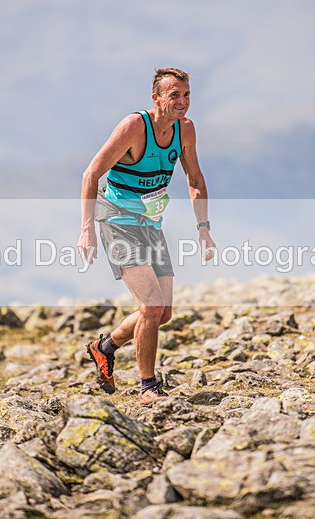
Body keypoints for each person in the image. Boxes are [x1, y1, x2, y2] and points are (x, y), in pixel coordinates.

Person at [78, 67, 215, 406]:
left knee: (161, 313)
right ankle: (147, 387)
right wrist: (87, 229)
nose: (182, 102)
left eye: (186, 96)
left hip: (151, 226)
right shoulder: (133, 128)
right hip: (117, 223)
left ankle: (104, 347)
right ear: (156, 99)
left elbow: (195, 179)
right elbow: (91, 173)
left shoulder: (185, 130)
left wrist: (204, 229)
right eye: (174, 96)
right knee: (151, 306)